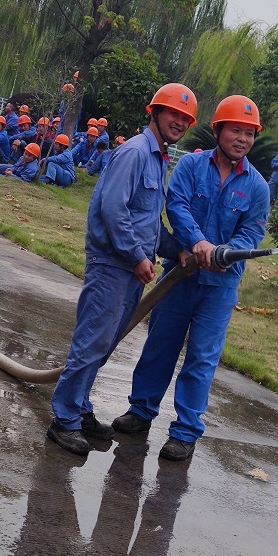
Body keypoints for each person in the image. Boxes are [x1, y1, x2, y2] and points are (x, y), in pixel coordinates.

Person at [113, 94, 270, 463]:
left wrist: (226, 253)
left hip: (219, 287)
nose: (242, 139)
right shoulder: (190, 166)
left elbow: (252, 232)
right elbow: (177, 206)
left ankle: (184, 432)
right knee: (160, 346)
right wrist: (197, 243)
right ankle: (141, 411)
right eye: (235, 130)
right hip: (179, 276)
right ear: (217, 130)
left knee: (202, 358)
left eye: (249, 133)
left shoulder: (258, 187)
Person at [47, 83, 197, 456]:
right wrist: (136, 256)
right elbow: (113, 209)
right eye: (173, 113)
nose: (179, 122)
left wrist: (176, 250)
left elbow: (148, 222)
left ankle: (79, 407)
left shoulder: (158, 158)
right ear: (155, 112)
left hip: (130, 269)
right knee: (91, 342)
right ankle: (63, 419)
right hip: (112, 266)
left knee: (105, 343)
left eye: (185, 118)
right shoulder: (135, 152)